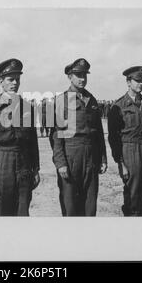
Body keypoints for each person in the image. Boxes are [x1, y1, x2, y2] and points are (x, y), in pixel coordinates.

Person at [0, 58, 40, 216]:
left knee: (22, 209)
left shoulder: (27, 108)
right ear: (1, 81)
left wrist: (36, 169)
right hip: (2, 162)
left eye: (17, 79)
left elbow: (33, 142)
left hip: (24, 164)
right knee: (0, 209)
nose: (15, 83)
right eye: (10, 79)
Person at [52, 58, 107, 216]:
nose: (82, 79)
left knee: (90, 206)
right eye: (78, 75)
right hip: (71, 156)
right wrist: (61, 163)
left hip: (91, 157)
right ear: (70, 77)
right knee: (71, 206)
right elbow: (56, 136)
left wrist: (102, 158)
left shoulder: (92, 100)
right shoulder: (61, 100)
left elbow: (98, 134)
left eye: (85, 75)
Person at [108, 66, 142, 217]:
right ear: (128, 82)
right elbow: (113, 137)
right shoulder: (118, 106)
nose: (140, 84)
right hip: (129, 152)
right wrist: (121, 163)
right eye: (137, 81)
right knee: (133, 193)